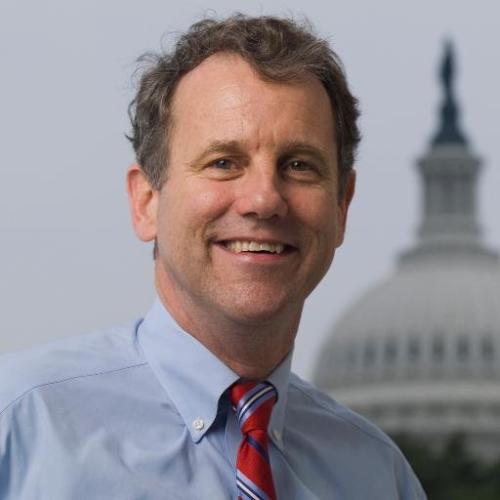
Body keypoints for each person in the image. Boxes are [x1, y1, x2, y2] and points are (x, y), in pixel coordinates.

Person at [0, 14, 426, 500]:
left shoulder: (378, 476)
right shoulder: (19, 425)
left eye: (299, 166)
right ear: (146, 202)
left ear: (342, 207)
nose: (263, 199)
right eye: (223, 162)